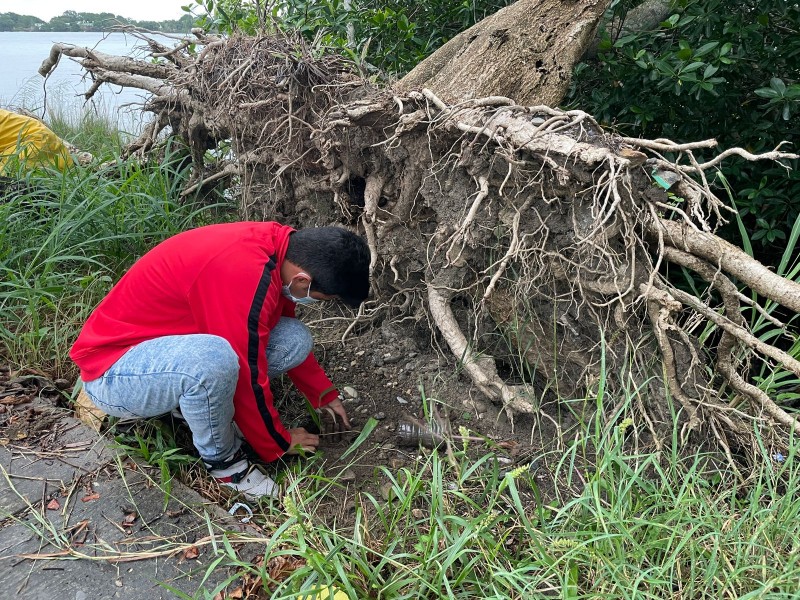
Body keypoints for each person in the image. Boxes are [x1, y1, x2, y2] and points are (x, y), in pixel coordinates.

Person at [70, 222, 370, 499]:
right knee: (213, 361)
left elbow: (262, 336)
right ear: (302, 279)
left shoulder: (277, 250)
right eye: (322, 298)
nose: (316, 303)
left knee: (294, 339)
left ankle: (191, 408)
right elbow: (247, 371)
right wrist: (277, 442)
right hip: (114, 370)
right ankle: (225, 464)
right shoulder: (243, 272)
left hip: (167, 352)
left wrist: (323, 396)